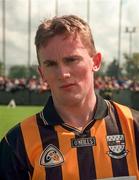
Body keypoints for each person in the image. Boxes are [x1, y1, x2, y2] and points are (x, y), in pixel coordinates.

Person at [0, 15, 139, 180]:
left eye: (72, 60)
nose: (63, 74)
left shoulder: (134, 126)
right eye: (51, 64)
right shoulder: (16, 143)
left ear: (95, 61)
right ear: (42, 73)